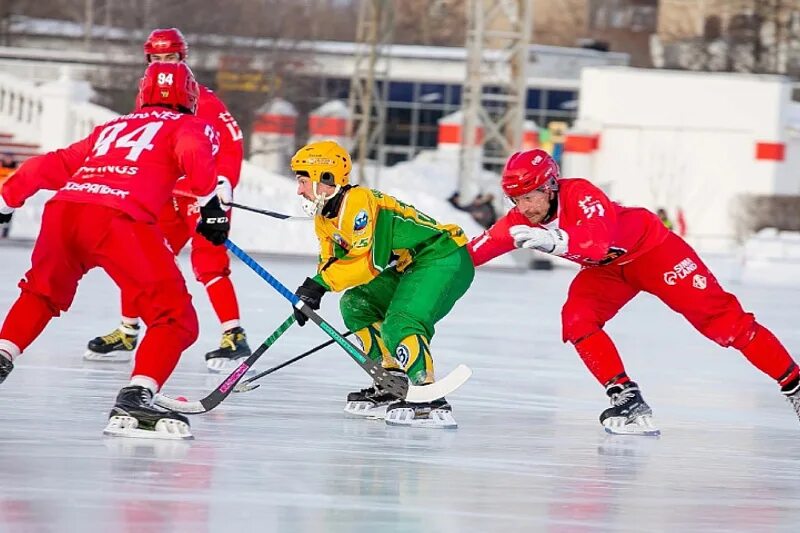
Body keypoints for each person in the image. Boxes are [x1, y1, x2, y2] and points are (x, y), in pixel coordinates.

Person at [467, 148, 800, 435]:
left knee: (725, 324)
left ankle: (794, 384)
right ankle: (626, 398)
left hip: (655, 253)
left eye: (530, 197)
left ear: (551, 186)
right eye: (516, 200)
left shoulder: (580, 193)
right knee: (577, 319)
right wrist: (422, 262)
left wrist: (556, 242)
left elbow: (595, 243)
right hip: (610, 272)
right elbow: (471, 254)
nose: (524, 208)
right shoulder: (518, 222)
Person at [0, 61, 230, 439]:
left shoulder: (112, 128)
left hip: (65, 212)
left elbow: (51, 164)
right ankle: (135, 398)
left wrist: (6, 202)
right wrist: (210, 205)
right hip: (119, 221)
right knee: (174, 317)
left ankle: (3, 353)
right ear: (189, 98)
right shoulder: (188, 124)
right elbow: (192, 150)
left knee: (41, 292)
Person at [84, 28, 250, 372]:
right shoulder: (145, 98)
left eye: (170, 58)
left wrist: (223, 183)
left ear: (182, 59)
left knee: (208, 263)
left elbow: (232, 142)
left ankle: (233, 334)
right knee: (141, 256)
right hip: (165, 196)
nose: (163, 65)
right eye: (156, 59)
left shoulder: (203, 99)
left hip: (201, 196)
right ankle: (129, 330)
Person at [290, 140, 474, 428]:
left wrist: (320, 284)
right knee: (355, 304)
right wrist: (311, 294)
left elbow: (368, 264)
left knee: (401, 321)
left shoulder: (359, 201)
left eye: (303, 181)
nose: (299, 189)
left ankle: (425, 394)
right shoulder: (324, 218)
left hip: (442, 256)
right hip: (410, 265)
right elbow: (330, 263)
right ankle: (391, 380)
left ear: (326, 178)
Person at [0, 154, 17, 238]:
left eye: (9, 158)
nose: (8, 160)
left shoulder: (15, 170)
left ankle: (5, 232)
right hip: (0, 194)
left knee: (7, 215)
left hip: (9, 197)